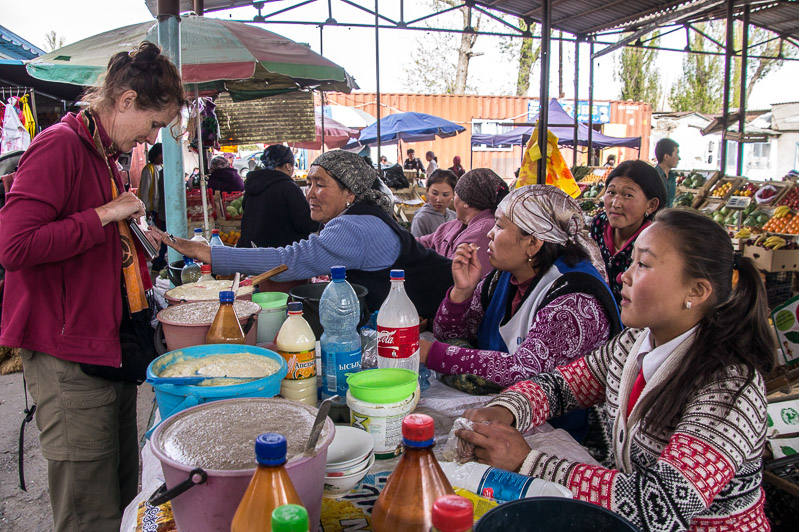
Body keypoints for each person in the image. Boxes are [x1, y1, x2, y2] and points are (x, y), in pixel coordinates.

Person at [458, 209, 775, 531]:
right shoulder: (633, 344)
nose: (625, 275)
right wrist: (507, 408)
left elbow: (660, 504)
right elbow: (560, 386)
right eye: (632, 260)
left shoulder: (728, 390)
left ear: (696, 291)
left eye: (644, 264)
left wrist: (526, 461)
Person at [0, 41, 185, 531]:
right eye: (153, 124)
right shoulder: (60, 145)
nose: (152, 136)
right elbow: (13, 245)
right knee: (89, 506)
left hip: (107, 345)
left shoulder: (103, 152)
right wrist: (106, 213)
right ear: (125, 100)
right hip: (68, 353)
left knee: (122, 491)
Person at [153, 150, 453, 319]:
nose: (309, 193)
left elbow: (290, 261)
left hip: (441, 309)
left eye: (320, 184)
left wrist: (208, 253)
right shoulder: (359, 216)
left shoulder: (355, 227)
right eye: (308, 182)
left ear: (350, 192)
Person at [420, 185, 621, 388]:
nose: (489, 234)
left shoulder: (576, 299)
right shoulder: (502, 278)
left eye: (499, 226)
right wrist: (462, 292)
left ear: (533, 243)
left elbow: (523, 371)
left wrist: (430, 353)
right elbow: (449, 336)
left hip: (560, 420)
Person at [590, 160, 667, 304]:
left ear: (651, 205)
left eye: (627, 195)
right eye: (611, 192)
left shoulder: (655, 243)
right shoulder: (599, 224)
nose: (615, 203)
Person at [418, 168, 509, 276]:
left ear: (466, 202)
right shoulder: (457, 224)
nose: (453, 200)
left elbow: (452, 276)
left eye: (456, 194)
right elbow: (422, 243)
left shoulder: (483, 232)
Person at [238, 144, 318, 249]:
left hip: (254, 251)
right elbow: (307, 224)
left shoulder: (253, 184)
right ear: (288, 166)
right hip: (283, 256)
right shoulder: (288, 187)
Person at [138, 143, 167, 270]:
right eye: (161, 153)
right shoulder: (148, 169)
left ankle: (160, 260)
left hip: (158, 207)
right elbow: (145, 190)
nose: (163, 156)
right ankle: (157, 261)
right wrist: (146, 209)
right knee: (158, 235)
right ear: (156, 154)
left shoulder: (160, 168)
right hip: (153, 209)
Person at [410, 169, 457, 238]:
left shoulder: (455, 217)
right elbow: (417, 247)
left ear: (453, 194)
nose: (438, 200)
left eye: (445, 195)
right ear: (427, 190)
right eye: (435, 193)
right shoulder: (421, 219)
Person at [655, 137, 680, 207]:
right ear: (666, 157)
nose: (679, 158)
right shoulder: (653, 176)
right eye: (677, 153)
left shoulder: (672, 177)